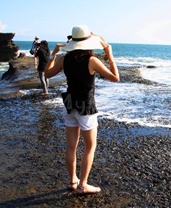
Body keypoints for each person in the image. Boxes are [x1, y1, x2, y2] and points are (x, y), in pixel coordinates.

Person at [45, 25, 119, 194]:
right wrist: (109, 54)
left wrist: (53, 54)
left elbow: (47, 74)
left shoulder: (64, 58)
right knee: (89, 147)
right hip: (86, 106)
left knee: (71, 146)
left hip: (69, 103)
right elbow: (115, 77)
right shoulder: (92, 60)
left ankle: (73, 181)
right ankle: (83, 185)